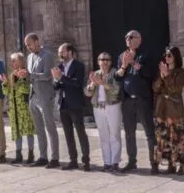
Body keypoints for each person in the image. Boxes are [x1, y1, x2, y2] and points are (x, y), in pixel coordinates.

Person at [115, 30, 158, 172]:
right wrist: (124, 65)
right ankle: (131, 161)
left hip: (143, 99)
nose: (128, 39)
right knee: (129, 132)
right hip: (127, 100)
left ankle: (154, 163)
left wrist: (133, 62)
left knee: (149, 132)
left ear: (139, 39)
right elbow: (118, 77)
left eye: (131, 37)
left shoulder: (146, 54)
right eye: (126, 37)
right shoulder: (122, 56)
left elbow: (149, 73)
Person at [53, 43, 90, 171]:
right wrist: (56, 80)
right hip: (63, 104)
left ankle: (86, 161)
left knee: (80, 132)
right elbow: (56, 87)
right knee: (68, 134)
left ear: (70, 52)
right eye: (59, 53)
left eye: (62, 52)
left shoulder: (79, 66)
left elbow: (78, 83)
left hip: (75, 103)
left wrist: (61, 77)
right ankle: (73, 160)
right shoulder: (59, 67)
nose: (60, 55)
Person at [152, 46, 184, 174]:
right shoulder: (162, 70)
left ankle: (181, 165)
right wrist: (161, 77)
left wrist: (167, 76)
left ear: (175, 57)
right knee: (162, 138)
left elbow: (176, 89)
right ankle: (168, 164)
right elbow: (155, 88)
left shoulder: (181, 72)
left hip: (175, 109)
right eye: (165, 55)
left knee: (177, 138)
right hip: (161, 109)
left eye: (169, 55)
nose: (166, 58)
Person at [24, 33, 59, 168]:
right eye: (27, 45)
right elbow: (30, 76)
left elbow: (46, 75)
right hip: (33, 96)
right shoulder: (29, 57)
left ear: (37, 41)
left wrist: (30, 75)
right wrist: (24, 75)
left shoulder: (48, 55)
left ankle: (54, 158)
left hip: (45, 96)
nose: (28, 47)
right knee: (39, 128)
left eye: (30, 44)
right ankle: (43, 156)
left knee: (50, 127)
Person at [85, 51, 121, 172]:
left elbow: (116, 90)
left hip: (112, 106)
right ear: (98, 62)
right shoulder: (95, 74)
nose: (105, 62)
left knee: (114, 134)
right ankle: (107, 163)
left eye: (107, 59)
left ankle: (115, 162)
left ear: (110, 62)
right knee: (103, 136)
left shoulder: (114, 73)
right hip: (98, 107)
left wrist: (102, 83)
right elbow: (87, 92)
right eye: (102, 59)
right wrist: (92, 84)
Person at [1, 51, 34, 165]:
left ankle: (31, 154)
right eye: (11, 61)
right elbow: (7, 92)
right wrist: (5, 83)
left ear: (21, 61)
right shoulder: (12, 74)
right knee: (17, 132)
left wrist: (18, 82)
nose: (12, 63)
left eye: (14, 60)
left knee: (28, 131)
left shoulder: (25, 74)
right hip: (14, 109)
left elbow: (25, 90)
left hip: (24, 108)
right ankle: (18, 154)